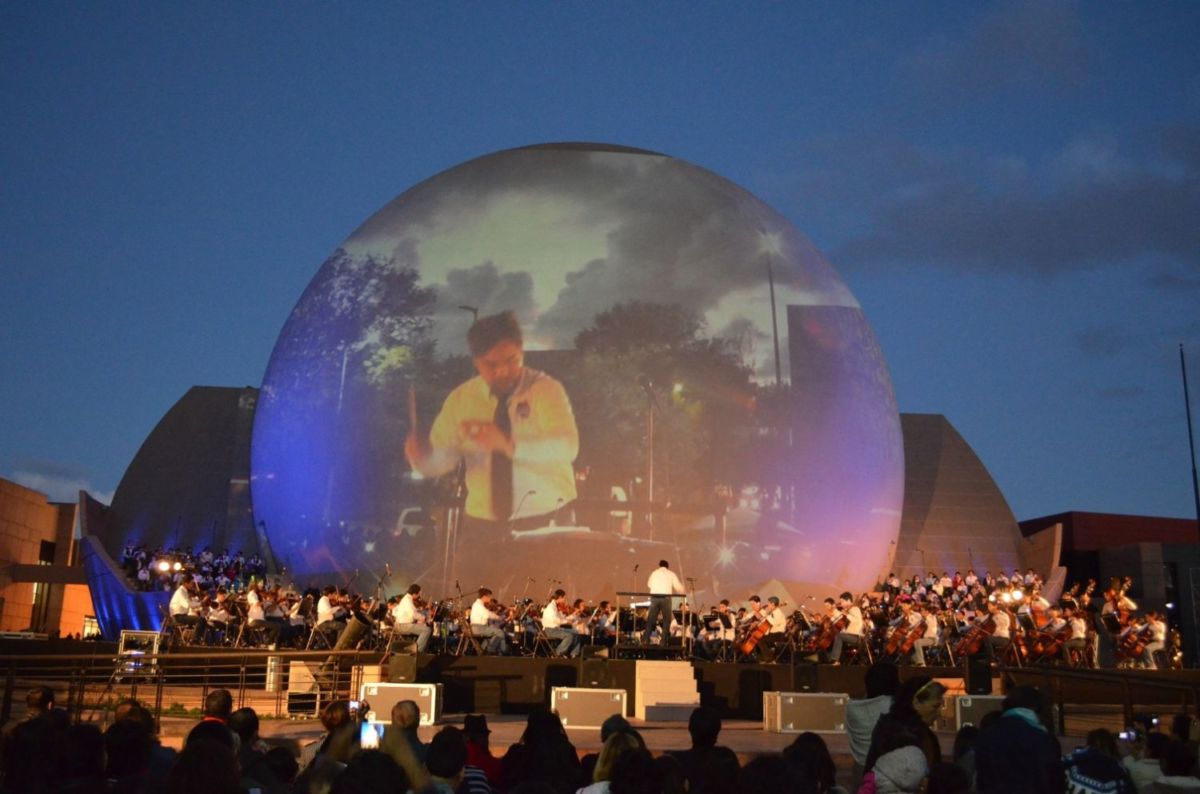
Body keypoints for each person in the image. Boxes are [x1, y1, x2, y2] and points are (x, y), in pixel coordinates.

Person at [406, 310, 580, 528]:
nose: (503, 371)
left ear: (521, 351)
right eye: (491, 365)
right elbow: (445, 458)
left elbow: (568, 447)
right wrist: (422, 460)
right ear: (476, 362)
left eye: (511, 360)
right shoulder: (461, 399)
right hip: (482, 523)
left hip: (548, 517)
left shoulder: (546, 389)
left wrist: (507, 445)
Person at [972, 685, 1062, 794]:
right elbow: (1050, 780)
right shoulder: (1042, 738)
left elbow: (981, 779)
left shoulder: (985, 736)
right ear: (1037, 707)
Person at [863, 676, 945, 775]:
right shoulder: (898, 736)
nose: (939, 713)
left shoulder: (888, 728)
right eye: (935, 706)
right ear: (916, 703)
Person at [845, 662, 900, 785]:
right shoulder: (894, 705)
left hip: (861, 770)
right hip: (890, 770)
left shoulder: (852, 708)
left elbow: (868, 699)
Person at [645, 560, 686, 645]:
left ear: (659, 565)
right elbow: (678, 587)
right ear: (667, 566)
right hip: (666, 598)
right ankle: (663, 642)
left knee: (651, 620)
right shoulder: (671, 574)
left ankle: (645, 640)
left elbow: (649, 584)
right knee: (666, 620)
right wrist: (684, 591)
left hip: (655, 598)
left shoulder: (654, 573)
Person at [542, 588, 583, 657]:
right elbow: (557, 620)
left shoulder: (555, 607)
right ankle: (556, 653)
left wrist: (572, 616)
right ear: (560, 597)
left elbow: (562, 618)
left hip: (556, 629)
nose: (564, 600)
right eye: (564, 598)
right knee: (569, 636)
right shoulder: (551, 607)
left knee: (576, 632)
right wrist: (567, 621)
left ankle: (573, 654)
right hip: (550, 630)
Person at [393, 583, 432, 653]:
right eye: (418, 594)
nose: (419, 596)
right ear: (414, 593)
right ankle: (417, 651)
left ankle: (417, 649)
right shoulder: (407, 600)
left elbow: (413, 612)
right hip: (403, 626)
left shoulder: (407, 599)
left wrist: (420, 614)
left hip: (403, 624)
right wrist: (424, 618)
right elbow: (413, 614)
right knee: (426, 630)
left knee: (423, 627)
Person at [470, 588, 510, 655]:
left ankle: (485, 651)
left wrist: (498, 617)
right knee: (500, 633)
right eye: (489, 596)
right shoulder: (478, 605)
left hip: (478, 628)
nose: (490, 598)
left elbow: (488, 613)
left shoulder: (477, 604)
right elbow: (487, 614)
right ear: (484, 596)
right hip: (479, 628)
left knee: (494, 634)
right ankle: (493, 650)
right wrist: (499, 618)